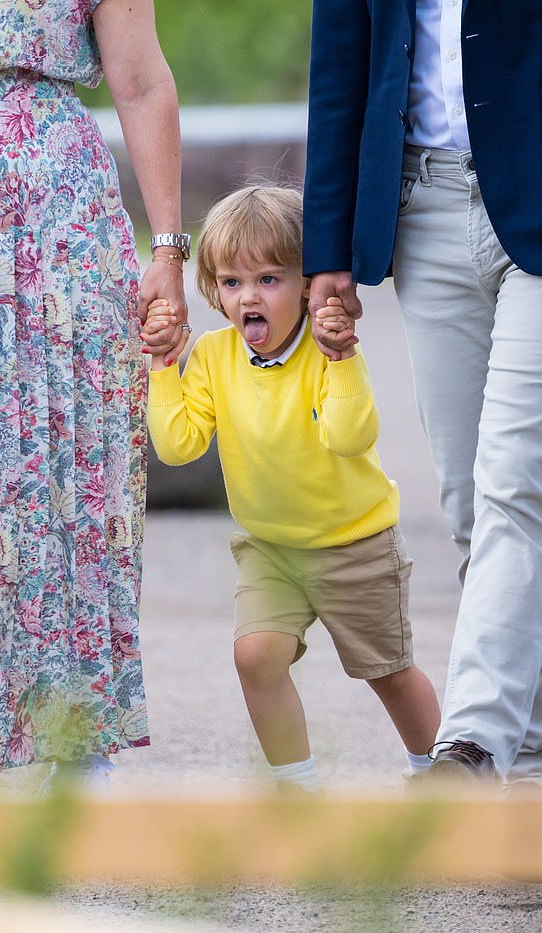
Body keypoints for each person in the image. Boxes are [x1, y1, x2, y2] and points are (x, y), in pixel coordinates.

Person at [302, 0, 542, 788]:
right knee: (473, 505)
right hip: (422, 204)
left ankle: (472, 744)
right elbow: (340, 66)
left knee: (519, 484)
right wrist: (329, 244)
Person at [0, 0, 188, 796]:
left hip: (59, 208)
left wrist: (169, 251)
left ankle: (77, 734)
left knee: (75, 459)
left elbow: (143, 79)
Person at [143, 184, 440, 794]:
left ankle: (438, 774)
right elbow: (178, 446)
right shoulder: (213, 356)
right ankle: (297, 791)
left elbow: (350, 436)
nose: (247, 296)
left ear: (308, 283)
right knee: (255, 657)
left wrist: (342, 360)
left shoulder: (327, 351)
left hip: (354, 542)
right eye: (231, 282)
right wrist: (164, 366)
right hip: (271, 547)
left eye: (269, 279)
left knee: (388, 672)